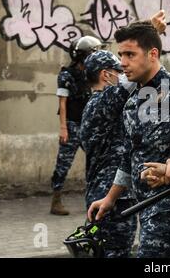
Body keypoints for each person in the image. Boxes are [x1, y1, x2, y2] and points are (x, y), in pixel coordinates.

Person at [87, 20, 170, 258]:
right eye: (121, 55)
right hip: (145, 205)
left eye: (130, 54)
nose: (123, 63)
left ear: (153, 54)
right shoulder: (132, 103)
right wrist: (109, 198)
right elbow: (128, 158)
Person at [79, 50, 137, 257]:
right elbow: (134, 81)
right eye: (119, 70)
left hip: (105, 193)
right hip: (111, 196)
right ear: (106, 75)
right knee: (116, 252)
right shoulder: (103, 102)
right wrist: (150, 33)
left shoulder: (94, 105)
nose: (124, 73)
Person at [50, 36, 102, 215]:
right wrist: (63, 127)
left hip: (88, 125)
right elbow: (62, 102)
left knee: (95, 161)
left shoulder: (90, 73)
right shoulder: (66, 74)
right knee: (63, 163)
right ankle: (56, 200)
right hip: (72, 125)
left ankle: (94, 198)